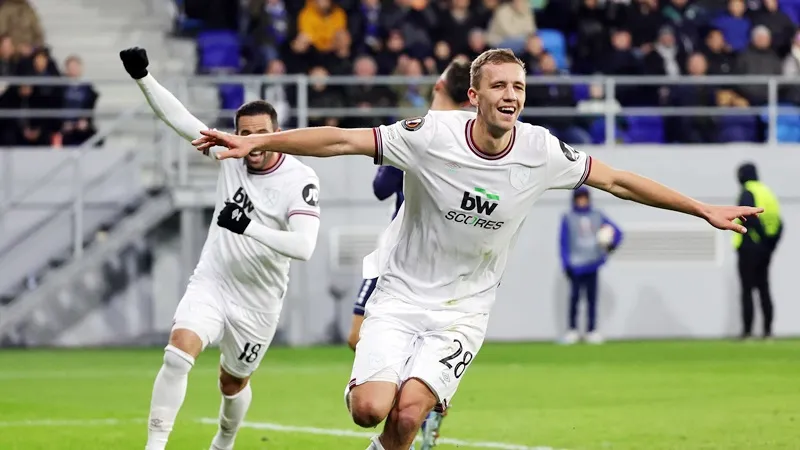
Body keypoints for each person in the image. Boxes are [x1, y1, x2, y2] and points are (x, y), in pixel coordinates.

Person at [190, 48, 762, 450]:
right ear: (474, 95)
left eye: (518, 87)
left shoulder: (542, 150)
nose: (510, 95)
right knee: (371, 410)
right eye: (499, 86)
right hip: (400, 295)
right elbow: (341, 140)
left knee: (407, 419)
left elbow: (616, 180)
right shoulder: (430, 136)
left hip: (464, 311)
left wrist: (701, 209)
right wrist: (257, 141)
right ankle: (369, 400)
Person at [119, 47, 322, 450]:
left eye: (260, 133)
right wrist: (143, 76)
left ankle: (224, 442)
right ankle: (155, 445)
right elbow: (180, 119)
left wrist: (247, 227)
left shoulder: (300, 178)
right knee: (178, 354)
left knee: (232, 383)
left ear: (276, 133)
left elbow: (304, 247)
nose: (252, 142)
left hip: (259, 298)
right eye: (244, 134)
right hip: (213, 280)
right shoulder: (230, 154)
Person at [348, 58, 472, 450]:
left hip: (410, 259)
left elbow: (380, 188)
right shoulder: (470, 137)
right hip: (421, 259)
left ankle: (420, 401)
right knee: (360, 340)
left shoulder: (421, 132)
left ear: (438, 85)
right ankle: (423, 399)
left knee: (360, 341)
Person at [560, 186, 623, 345]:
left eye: (584, 198)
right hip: (575, 264)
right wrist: (566, 263)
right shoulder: (569, 217)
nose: (582, 201)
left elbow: (617, 232)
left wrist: (610, 245)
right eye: (579, 198)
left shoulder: (597, 215)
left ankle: (591, 330)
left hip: (592, 262)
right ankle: (572, 330)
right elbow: (563, 242)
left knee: (592, 299)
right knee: (574, 299)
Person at [733, 162, 782, 340]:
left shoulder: (748, 192)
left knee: (747, 290)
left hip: (749, 246)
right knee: (764, 288)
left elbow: (749, 218)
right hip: (765, 249)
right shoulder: (768, 193)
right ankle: (768, 332)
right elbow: (779, 222)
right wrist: (770, 244)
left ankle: (747, 332)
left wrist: (761, 238)